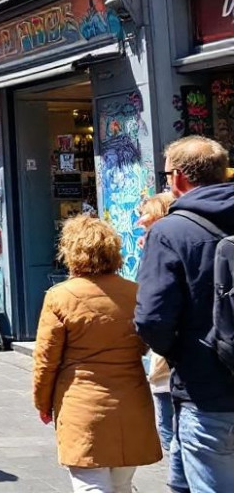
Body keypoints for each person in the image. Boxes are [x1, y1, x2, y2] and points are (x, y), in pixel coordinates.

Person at [32, 215, 163, 492]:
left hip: (82, 402)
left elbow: (46, 359)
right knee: (122, 484)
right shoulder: (135, 293)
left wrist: (43, 402)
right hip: (132, 400)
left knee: (90, 484)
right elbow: (147, 341)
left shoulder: (60, 296)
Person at [135, 136, 234, 492]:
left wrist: (180, 353)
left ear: (178, 178)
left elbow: (152, 318)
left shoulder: (171, 231)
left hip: (206, 386)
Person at [135, 192, 180, 481]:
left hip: (173, 367)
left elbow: (152, 312)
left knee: (176, 442)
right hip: (173, 365)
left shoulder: (165, 249)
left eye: (147, 216)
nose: (140, 221)